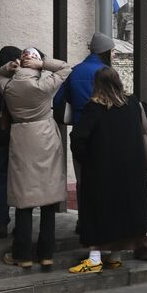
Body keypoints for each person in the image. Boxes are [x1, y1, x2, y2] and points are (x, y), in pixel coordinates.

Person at [68, 66, 147, 274]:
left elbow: (78, 139)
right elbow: (146, 113)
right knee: (122, 212)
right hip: (130, 172)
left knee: (97, 212)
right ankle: (115, 257)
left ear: (97, 85)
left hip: (101, 172)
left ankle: (94, 259)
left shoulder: (94, 108)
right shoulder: (132, 104)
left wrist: (86, 160)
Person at [0, 48, 70, 269]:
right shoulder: (44, 86)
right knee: (48, 199)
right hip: (46, 138)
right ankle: (46, 254)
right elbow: (66, 68)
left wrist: (7, 68)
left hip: (21, 138)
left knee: (24, 200)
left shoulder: (8, 86)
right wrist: (44, 64)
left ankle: (23, 254)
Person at [56, 32, 113, 183]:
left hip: (80, 131)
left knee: (83, 181)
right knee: (104, 182)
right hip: (104, 133)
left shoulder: (75, 71)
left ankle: (85, 207)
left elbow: (58, 101)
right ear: (105, 52)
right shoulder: (108, 73)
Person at [0, 46, 21, 239]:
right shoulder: (20, 82)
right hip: (18, 136)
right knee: (20, 180)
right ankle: (21, 222)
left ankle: (1, 222)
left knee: (0, 180)